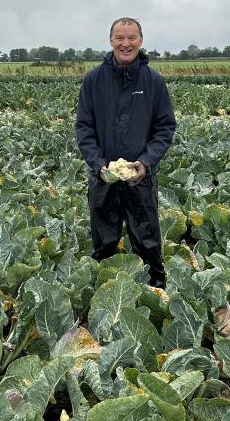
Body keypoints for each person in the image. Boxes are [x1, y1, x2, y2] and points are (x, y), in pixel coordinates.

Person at [75, 17, 176, 288]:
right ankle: (105, 296)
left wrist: (145, 163)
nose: (126, 44)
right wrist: (99, 165)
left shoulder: (153, 81)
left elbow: (164, 128)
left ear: (140, 41)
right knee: (104, 242)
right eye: (120, 38)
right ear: (111, 42)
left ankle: (154, 293)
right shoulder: (94, 79)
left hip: (140, 177)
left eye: (131, 38)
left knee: (147, 242)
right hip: (103, 178)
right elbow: (84, 128)